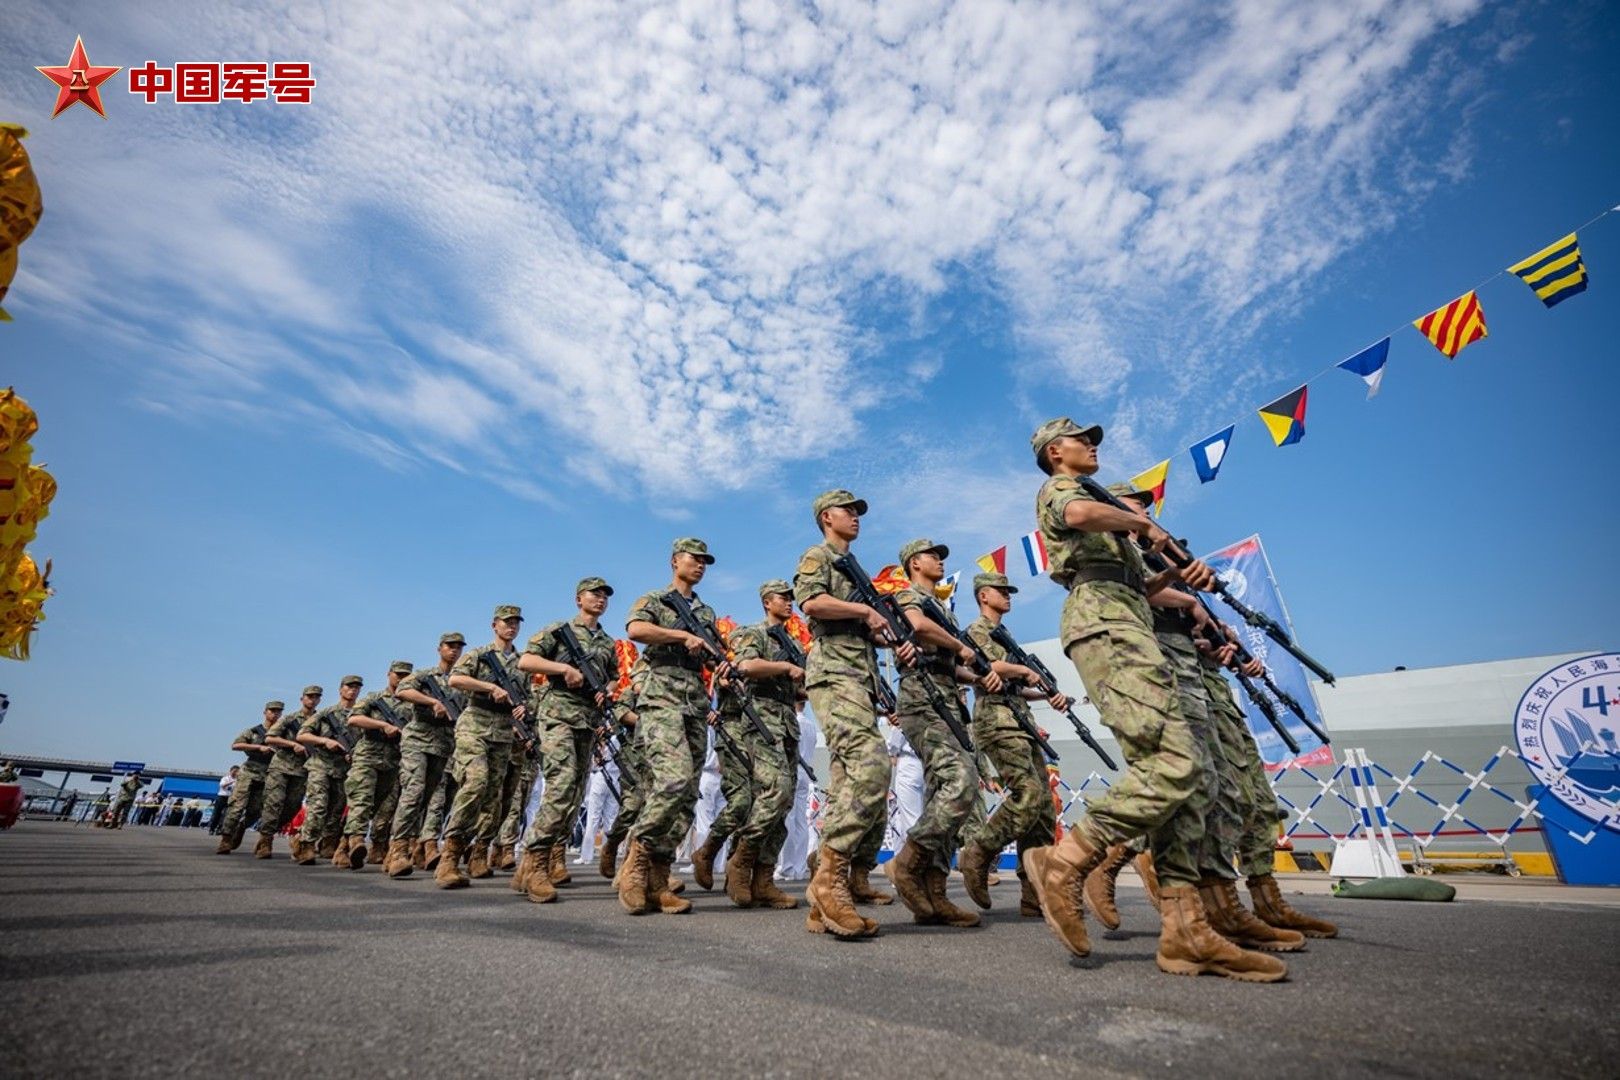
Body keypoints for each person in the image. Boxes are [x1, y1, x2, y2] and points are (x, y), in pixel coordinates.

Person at [1023, 417, 1283, 982]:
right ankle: (1067, 859)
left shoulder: (1105, 514)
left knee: (1191, 779)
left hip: (1130, 618)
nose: (1092, 445)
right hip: (1103, 623)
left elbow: (1143, 585)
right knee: (1173, 763)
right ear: (1055, 452)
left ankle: (1186, 929)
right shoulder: (1060, 490)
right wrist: (1142, 523)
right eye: (1081, 439)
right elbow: (1078, 514)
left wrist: (1183, 579)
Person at [793, 490, 916, 937]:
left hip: (858, 678)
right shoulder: (819, 555)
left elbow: (864, 627)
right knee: (871, 766)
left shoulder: (855, 566)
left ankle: (827, 896)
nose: (856, 517)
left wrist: (889, 636)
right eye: (848, 511)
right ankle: (828, 880)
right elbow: (811, 603)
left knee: (849, 782)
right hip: (833, 672)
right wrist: (865, 609)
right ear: (827, 517)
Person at [884, 539, 1002, 929]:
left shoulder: (943, 611)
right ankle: (908, 861)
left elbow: (950, 665)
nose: (939, 561)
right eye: (932, 556)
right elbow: (916, 626)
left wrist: (979, 676)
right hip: (921, 701)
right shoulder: (909, 596)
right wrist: (959, 646)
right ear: (914, 563)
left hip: (948, 703)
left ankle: (935, 891)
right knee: (960, 780)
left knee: (946, 794)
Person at [1195, 628, 1337, 940]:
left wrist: (1232, 651)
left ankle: (1267, 900)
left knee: (1260, 803)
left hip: (1218, 697)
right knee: (1222, 803)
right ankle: (1220, 907)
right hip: (1191, 696)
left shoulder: (1197, 605)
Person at [619, 539, 727, 916]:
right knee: (673, 779)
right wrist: (681, 636)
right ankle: (636, 864)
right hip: (660, 695)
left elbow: (713, 656)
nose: (700, 565)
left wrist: (719, 664)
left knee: (687, 794)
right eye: (694, 559)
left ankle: (659, 878)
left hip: (694, 700)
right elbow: (636, 630)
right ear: (674, 561)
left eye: (704, 561)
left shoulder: (706, 611)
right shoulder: (655, 600)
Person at [953, 572, 1069, 917]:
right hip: (997, 723)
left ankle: (1034, 892)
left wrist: (1047, 695)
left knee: (1043, 810)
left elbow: (1014, 686)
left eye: (1009, 591)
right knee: (1028, 794)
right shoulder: (977, 630)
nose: (1008, 596)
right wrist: (1022, 670)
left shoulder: (1006, 636)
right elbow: (985, 666)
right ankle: (978, 851)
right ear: (983, 595)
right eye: (1002, 591)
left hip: (1021, 722)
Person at [691, 580, 805, 908]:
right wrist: (785, 667)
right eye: (783, 598)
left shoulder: (793, 643)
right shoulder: (752, 633)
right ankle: (736, 859)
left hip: (786, 723)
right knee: (769, 793)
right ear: (767, 601)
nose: (789, 602)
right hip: (758, 722)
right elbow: (747, 666)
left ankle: (763, 878)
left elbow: (797, 688)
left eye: (791, 598)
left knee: (783, 803)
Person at [514, 577, 620, 903]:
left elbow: (614, 677)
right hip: (558, 716)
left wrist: (607, 691)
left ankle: (551, 857)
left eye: (604, 596)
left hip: (587, 722)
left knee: (574, 794)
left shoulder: (606, 641)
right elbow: (526, 660)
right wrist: (562, 669)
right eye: (594, 594)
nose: (600, 599)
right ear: (578, 599)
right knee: (560, 787)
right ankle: (535, 864)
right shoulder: (560, 630)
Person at [438, 606, 528, 888]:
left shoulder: (523, 661)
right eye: (506, 622)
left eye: (516, 623)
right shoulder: (479, 654)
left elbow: (530, 695)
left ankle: (479, 853)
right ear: (494, 625)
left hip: (504, 732)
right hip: (474, 725)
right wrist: (489, 688)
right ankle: (450, 857)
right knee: (475, 782)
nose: (511, 627)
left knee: (494, 797)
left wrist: (524, 708)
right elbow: (455, 679)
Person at [386, 633, 466, 877]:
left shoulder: (462, 679)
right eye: (449, 646)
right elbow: (402, 691)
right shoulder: (426, 676)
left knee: (430, 799)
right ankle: (398, 850)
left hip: (444, 745)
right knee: (413, 791)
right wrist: (432, 702)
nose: (454, 651)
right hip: (417, 741)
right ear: (439, 649)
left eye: (458, 647)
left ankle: (420, 845)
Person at [342, 662, 413, 869]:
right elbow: (354, 719)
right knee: (362, 800)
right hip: (368, 755)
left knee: (384, 807)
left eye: (406, 676)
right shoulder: (374, 699)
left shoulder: (411, 704)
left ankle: (356, 846)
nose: (401, 679)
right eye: (398, 674)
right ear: (389, 674)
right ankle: (356, 841)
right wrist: (382, 725)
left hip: (393, 759)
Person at [296, 676, 362, 865]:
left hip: (344, 769)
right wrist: (324, 741)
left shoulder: (360, 714)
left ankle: (327, 844)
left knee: (337, 809)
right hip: (321, 766)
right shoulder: (327, 713)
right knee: (318, 805)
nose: (353, 690)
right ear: (341, 689)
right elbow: (302, 735)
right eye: (349, 686)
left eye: (356, 687)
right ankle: (306, 844)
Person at [256, 686, 322, 858]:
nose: (312, 700)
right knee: (273, 803)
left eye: (316, 697)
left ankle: (271, 831)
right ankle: (265, 841)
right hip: (281, 767)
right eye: (309, 696)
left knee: (293, 807)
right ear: (302, 699)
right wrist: (292, 744)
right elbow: (270, 738)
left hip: (302, 770)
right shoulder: (290, 719)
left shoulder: (321, 720)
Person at [217, 702, 280, 853]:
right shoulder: (254, 731)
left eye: (278, 712)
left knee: (256, 810)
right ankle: (226, 839)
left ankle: (242, 827)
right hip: (249, 771)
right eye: (272, 711)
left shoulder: (281, 733)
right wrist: (258, 747)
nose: (275, 714)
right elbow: (236, 745)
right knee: (236, 807)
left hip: (268, 774)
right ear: (265, 712)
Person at [774, 703, 819, 883]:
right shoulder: (811, 725)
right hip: (805, 771)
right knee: (801, 821)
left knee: (788, 820)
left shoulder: (790, 721)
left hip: (792, 769)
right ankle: (799, 868)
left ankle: (786, 867)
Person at [209, 768, 239, 835]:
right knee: (217, 814)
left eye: (237, 772)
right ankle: (212, 829)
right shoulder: (225, 778)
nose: (235, 773)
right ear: (230, 771)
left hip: (230, 799)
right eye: (234, 771)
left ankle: (219, 829)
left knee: (225, 815)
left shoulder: (238, 780)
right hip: (221, 797)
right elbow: (222, 786)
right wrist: (231, 782)